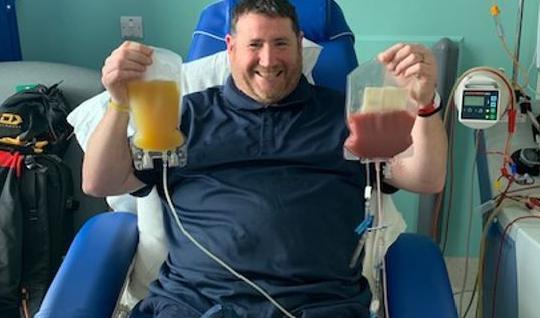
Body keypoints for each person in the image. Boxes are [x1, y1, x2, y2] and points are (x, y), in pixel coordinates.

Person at [83, 0, 447, 317]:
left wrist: (426, 104)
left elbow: (425, 179)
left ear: (300, 48)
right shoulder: (182, 118)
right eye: (254, 44)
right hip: (198, 304)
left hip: (321, 306)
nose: (269, 59)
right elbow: (101, 182)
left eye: (281, 43)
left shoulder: (346, 117)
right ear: (230, 48)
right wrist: (118, 102)